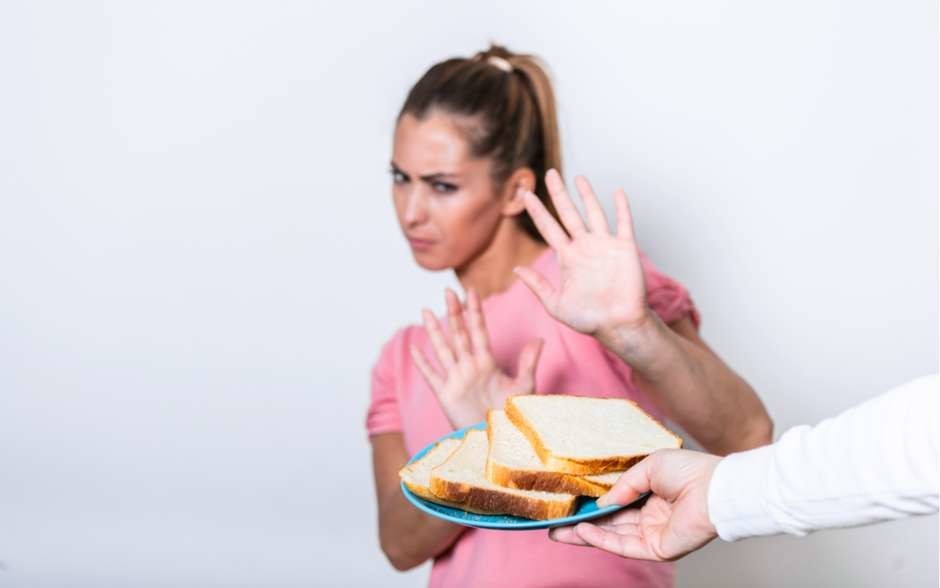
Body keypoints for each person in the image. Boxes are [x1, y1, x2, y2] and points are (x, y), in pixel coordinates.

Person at [366, 44, 772, 588]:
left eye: (442, 185)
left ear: (515, 190)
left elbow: (748, 436)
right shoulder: (408, 355)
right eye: (400, 178)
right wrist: (479, 444)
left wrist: (637, 331)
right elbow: (398, 546)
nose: (411, 211)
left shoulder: (596, 291)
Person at [502, 169, 939, 561]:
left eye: (458, 185)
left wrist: (720, 493)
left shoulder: (596, 278)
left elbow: (748, 435)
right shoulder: (464, 323)